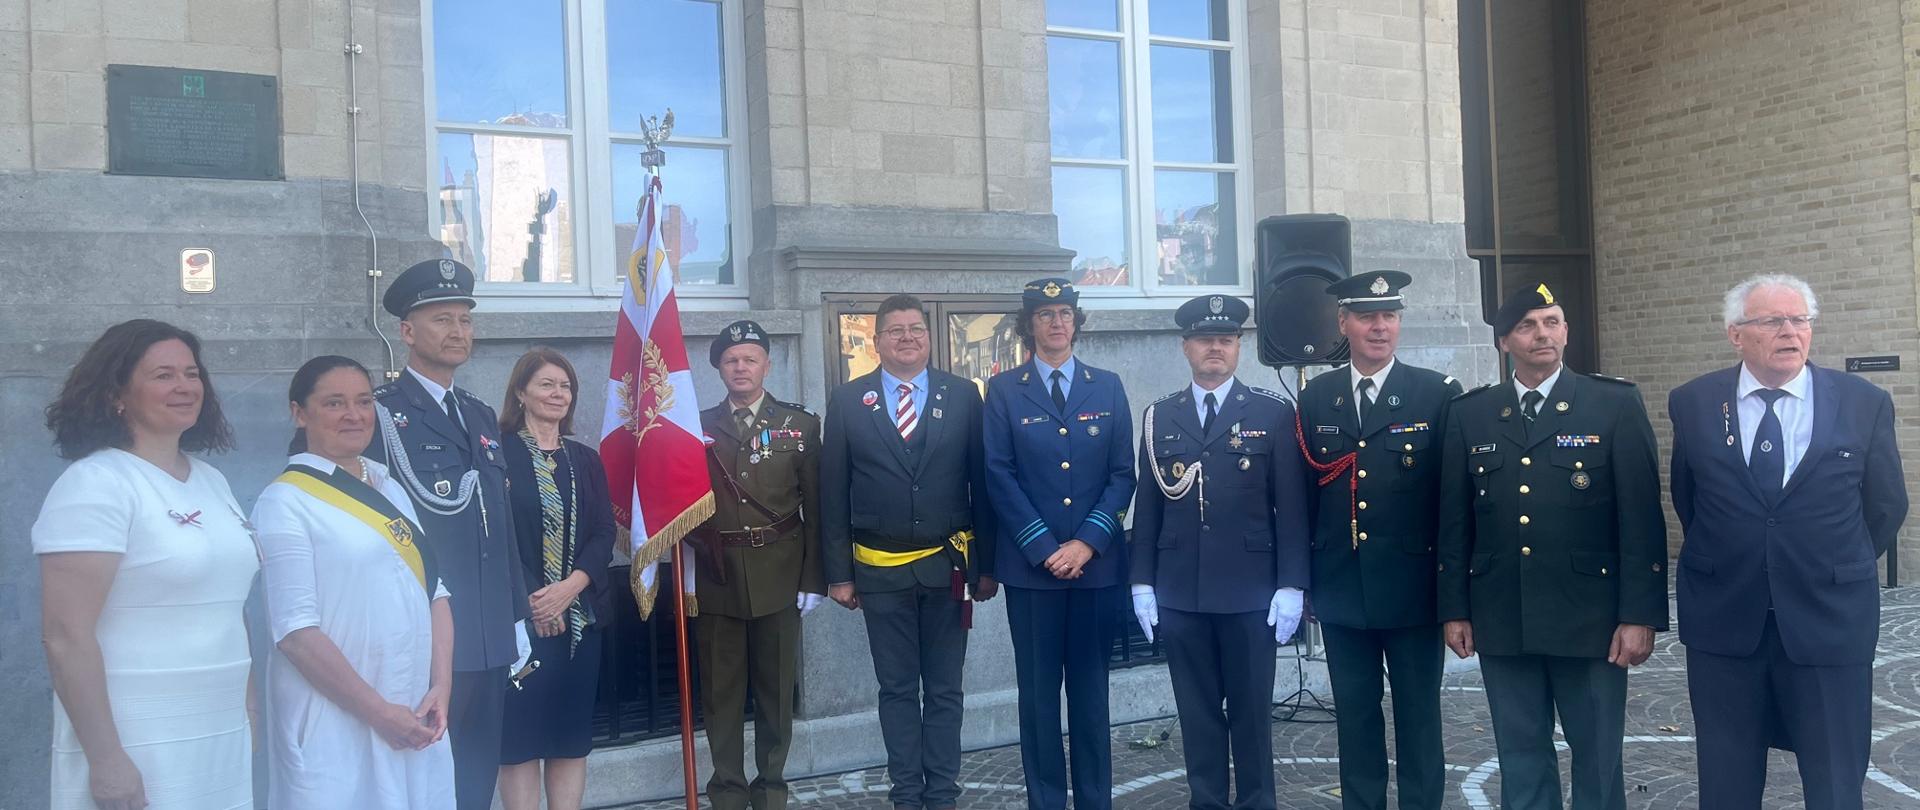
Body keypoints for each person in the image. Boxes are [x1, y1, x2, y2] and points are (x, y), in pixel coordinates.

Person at [1669, 275, 1907, 810]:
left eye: (1800, 320)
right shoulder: (1694, 403)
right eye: (1772, 320)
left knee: (1834, 784)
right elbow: (1691, 499)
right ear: (1736, 334)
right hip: (1726, 622)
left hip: (1828, 621)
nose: (1790, 331)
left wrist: (1826, 561)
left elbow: (1886, 505)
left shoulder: (1863, 402)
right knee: (1726, 784)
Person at [1435, 284, 1667, 810]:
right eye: (1527, 325)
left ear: (1565, 331)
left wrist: (1640, 615)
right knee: (1520, 754)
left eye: (1552, 321)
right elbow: (1455, 520)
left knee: (1597, 754)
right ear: (1503, 342)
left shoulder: (1613, 403)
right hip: (1502, 613)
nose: (1543, 333)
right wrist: (1454, 608)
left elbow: (1641, 520)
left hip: (1591, 618)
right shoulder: (1471, 413)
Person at [34, 319, 257, 810]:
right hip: (137, 735)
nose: (184, 386)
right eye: (162, 375)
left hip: (217, 730)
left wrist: (247, 707)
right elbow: (65, 635)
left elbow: (228, 603)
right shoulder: (95, 484)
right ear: (118, 392)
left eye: (192, 373)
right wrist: (107, 759)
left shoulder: (213, 482)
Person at [1130, 294, 1309, 810]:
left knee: (1253, 715)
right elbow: (1149, 508)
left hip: (1253, 592)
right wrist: (1142, 582)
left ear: (1238, 348)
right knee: (1197, 712)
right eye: (1206, 339)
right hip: (1182, 591)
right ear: (1186, 347)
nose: (1216, 348)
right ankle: (1205, 802)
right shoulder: (1159, 415)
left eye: (1226, 340)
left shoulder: (1273, 413)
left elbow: (1292, 507)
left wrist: (1292, 584)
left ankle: (1257, 803)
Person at [820, 294, 999, 810]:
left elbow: (981, 486)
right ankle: (906, 794)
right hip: (880, 572)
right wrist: (839, 574)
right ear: (876, 342)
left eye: (915, 329)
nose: (906, 338)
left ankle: (941, 794)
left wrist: (984, 566)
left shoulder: (964, 395)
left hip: (950, 569)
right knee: (896, 690)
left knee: (945, 690)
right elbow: (833, 493)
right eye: (894, 330)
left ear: (929, 337)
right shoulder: (850, 400)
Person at [252, 355, 456, 808]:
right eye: (334, 403)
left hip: (416, 712)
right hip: (336, 718)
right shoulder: (283, 502)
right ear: (299, 413)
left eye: (364, 401)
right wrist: (379, 713)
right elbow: (295, 633)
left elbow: (436, 593)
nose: (354, 415)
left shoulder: (392, 488)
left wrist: (441, 687)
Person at [368, 258, 529, 810]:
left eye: (464, 319)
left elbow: (499, 523)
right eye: (442, 319)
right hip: (426, 632)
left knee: (476, 777)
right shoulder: (381, 415)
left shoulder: (479, 414)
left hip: (487, 631)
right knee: (421, 774)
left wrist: (516, 613)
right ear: (407, 332)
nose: (458, 331)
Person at [1296, 272, 1459, 810]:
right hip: (1342, 589)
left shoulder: (1436, 393)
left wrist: (1453, 593)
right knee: (1355, 718)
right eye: (1367, 316)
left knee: (1419, 718)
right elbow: (1303, 498)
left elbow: (1451, 502)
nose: (1380, 327)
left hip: (1413, 590)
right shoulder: (1316, 397)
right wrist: (1303, 585)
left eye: (1389, 316)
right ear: (1343, 323)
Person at [982, 278, 1135, 810]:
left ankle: (1096, 800)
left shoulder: (1108, 385)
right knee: (1039, 698)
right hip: (1032, 573)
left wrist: (1087, 544)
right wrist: (1047, 548)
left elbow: (1123, 475)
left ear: (1077, 321)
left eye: (1065, 312)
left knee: (1092, 696)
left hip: (1096, 570)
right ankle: (1045, 801)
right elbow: (998, 475)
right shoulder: (1003, 390)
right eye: (1045, 314)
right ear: (1029, 326)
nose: (1056, 322)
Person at [690, 320, 827, 810]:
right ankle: (726, 791)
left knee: (775, 696)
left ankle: (770, 790)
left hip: (780, 577)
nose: (741, 367)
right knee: (720, 697)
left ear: (767, 365)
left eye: (750, 358)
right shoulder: (693, 425)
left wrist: (816, 578)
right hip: (716, 577)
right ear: (719, 369)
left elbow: (817, 508)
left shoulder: (802, 425)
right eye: (731, 360)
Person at [495, 348, 617, 810]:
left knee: (569, 738)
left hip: (580, 621)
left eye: (565, 386)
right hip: (519, 624)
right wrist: (536, 600)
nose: (557, 393)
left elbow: (605, 531)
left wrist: (570, 588)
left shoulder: (584, 459)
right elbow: (497, 535)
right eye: (546, 384)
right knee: (519, 739)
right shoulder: (497, 454)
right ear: (521, 392)